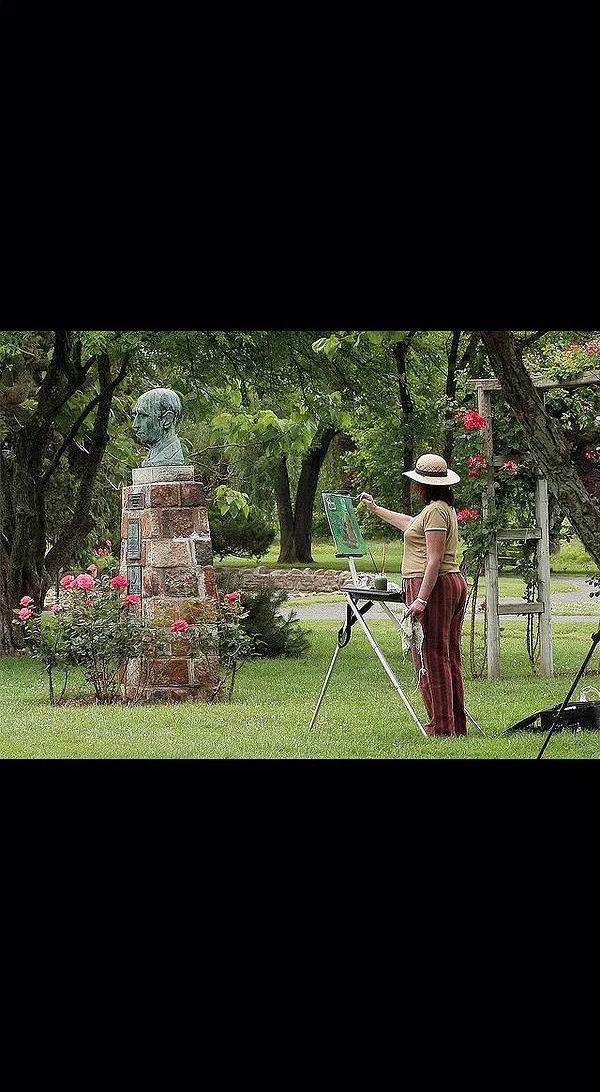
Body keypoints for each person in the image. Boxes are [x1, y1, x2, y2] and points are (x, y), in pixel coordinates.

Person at [359, 453, 468, 737]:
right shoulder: (440, 509)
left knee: (431, 655)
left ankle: (442, 728)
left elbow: (433, 559)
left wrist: (421, 598)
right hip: (451, 582)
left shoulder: (433, 511)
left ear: (423, 486)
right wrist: (376, 509)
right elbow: (410, 524)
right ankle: (455, 724)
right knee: (447, 653)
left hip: (434, 585)